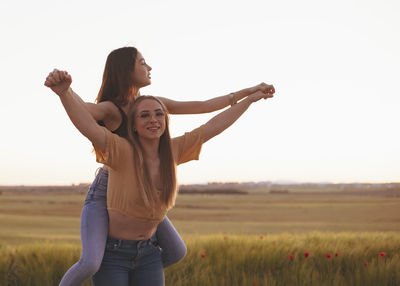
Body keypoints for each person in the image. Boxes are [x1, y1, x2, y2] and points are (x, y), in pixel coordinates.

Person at [45, 46, 275, 286]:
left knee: (176, 250)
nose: (149, 67)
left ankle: (135, 266)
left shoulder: (157, 118)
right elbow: (86, 119)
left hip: (146, 193)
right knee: (92, 261)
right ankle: (115, 267)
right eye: (143, 62)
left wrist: (248, 94)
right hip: (112, 183)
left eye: (159, 115)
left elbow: (204, 110)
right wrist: (65, 92)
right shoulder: (113, 113)